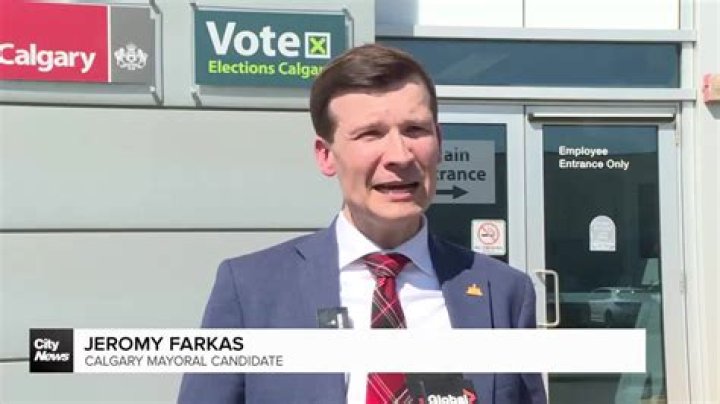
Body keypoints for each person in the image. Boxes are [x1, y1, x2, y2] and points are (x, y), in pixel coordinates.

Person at [178, 43, 546, 404]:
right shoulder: (251, 290)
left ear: (439, 141)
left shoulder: (504, 292)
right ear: (326, 155)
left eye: (415, 130)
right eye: (371, 134)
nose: (400, 155)